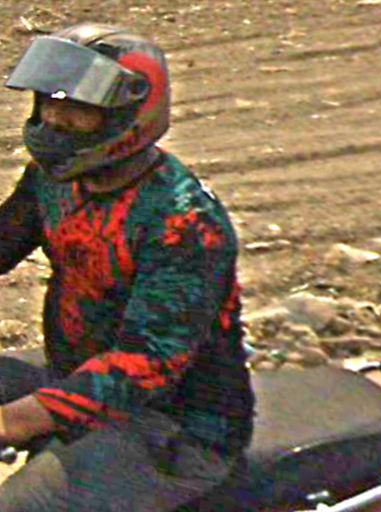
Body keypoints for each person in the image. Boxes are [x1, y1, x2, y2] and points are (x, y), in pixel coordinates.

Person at [0, 22, 255, 511]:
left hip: (173, 427)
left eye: (79, 110)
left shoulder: (183, 223)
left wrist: (11, 422)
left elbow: (145, 364)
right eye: (50, 103)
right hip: (75, 376)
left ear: (129, 114)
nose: (56, 121)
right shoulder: (56, 181)